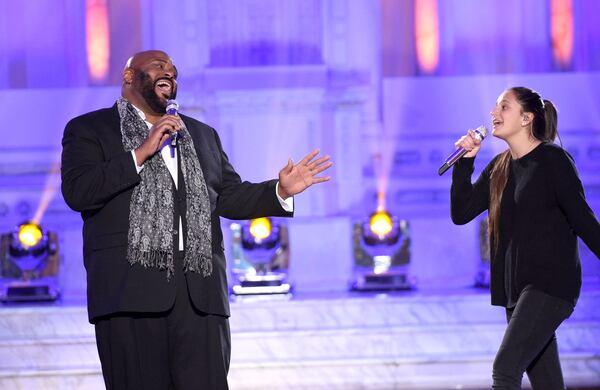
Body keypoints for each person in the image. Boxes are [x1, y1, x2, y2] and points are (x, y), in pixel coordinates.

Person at [61, 50, 332, 390]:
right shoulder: (90, 129)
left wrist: (279, 190)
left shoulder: (201, 135)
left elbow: (228, 196)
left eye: (173, 72)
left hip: (199, 298)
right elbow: (79, 192)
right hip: (129, 295)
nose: (170, 74)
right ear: (128, 76)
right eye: (160, 66)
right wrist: (142, 151)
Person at [450, 86, 600, 389]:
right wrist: (465, 162)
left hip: (550, 285)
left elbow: (582, 219)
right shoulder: (500, 167)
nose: (494, 114)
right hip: (515, 291)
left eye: (504, 107)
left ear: (526, 118)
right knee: (547, 384)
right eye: (495, 108)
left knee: (505, 369)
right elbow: (462, 212)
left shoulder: (553, 160)